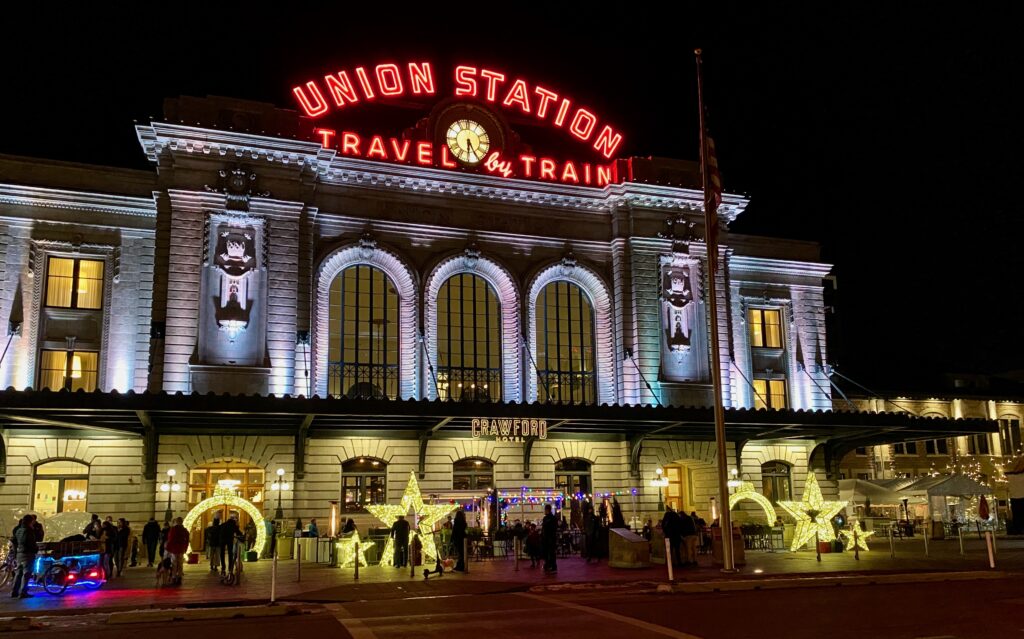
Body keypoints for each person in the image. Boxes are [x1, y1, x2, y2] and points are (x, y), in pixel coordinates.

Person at [10, 515, 38, 598]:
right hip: (28, 554)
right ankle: (23, 592)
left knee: (18, 573)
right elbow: (31, 543)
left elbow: (14, 541)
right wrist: (36, 549)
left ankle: (14, 592)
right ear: (30, 521)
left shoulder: (19, 530)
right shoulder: (29, 531)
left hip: (19, 554)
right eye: (33, 521)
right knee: (26, 573)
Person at [164, 516, 190, 585]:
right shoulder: (184, 530)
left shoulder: (173, 529)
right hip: (181, 549)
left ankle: (174, 577)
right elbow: (187, 540)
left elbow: (170, 539)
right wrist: (185, 548)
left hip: (174, 549)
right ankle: (179, 577)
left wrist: (168, 548)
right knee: (180, 563)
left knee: (174, 564)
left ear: (177, 522)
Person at [541, 504, 558, 573]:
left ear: (547, 510)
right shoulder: (548, 518)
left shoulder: (550, 518)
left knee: (551, 553)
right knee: (548, 552)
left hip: (550, 538)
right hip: (548, 538)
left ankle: (552, 566)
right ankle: (548, 565)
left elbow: (552, 528)